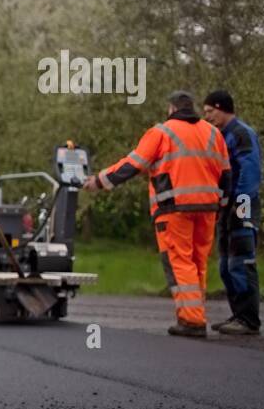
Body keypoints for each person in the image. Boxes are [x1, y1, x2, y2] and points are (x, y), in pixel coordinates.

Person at [83, 91, 230, 337]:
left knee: (180, 262)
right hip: (208, 208)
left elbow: (132, 164)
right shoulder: (213, 133)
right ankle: (193, 315)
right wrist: (223, 204)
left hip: (174, 209)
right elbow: (226, 174)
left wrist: (99, 181)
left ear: (171, 108)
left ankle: (192, 321)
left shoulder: (162, 132)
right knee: (197, 264)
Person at [202, 89, 263, 334]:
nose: (206, 117)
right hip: (226, 207)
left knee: (241, 262)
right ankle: (238, 315)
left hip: (242, 205)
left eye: (210, 111)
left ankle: (249, 320)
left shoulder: (241, 134)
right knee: (226, 265)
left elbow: (250, 172)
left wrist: (240, 205)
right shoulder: (220, 136)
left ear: (222, 108)